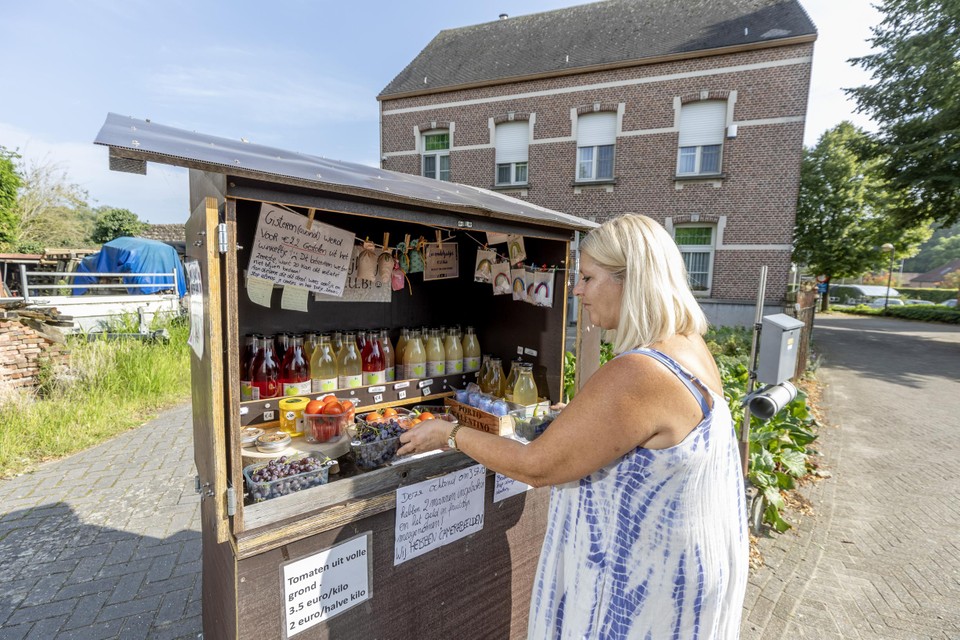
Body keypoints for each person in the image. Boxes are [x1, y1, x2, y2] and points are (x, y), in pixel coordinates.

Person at [398, 213, 747, 639]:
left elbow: (535, 467)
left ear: (631, 280)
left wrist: (448, 434)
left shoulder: (639, 372)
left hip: (635, 591)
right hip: (681, 573)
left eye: (588, 278)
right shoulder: (689, 346)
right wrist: (582, 421)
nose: (577, 290)